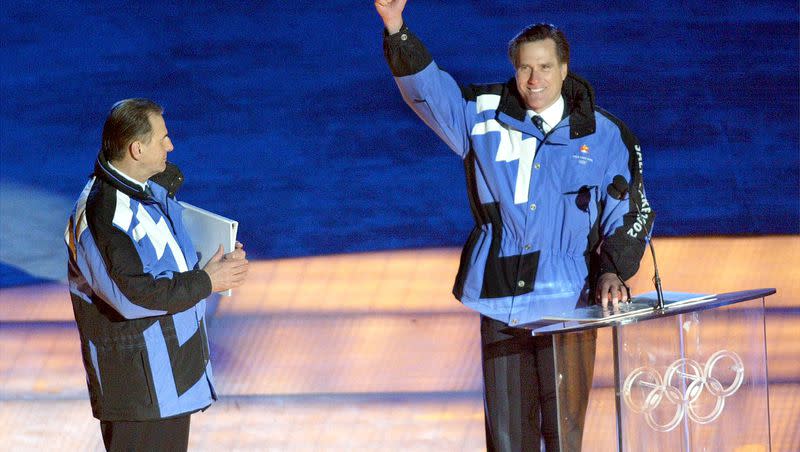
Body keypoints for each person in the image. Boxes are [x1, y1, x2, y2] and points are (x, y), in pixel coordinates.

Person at [374, 1, 653, 450]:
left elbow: (632, 212)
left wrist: (612, 269)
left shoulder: (605, 135)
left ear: (564, 68)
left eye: (544, 66)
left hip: (570, 301)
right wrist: (396, 28)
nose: (534, 79)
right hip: (502, 298)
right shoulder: (483, 115)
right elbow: (428, 92)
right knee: (507, 440)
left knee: (563, 437)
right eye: (525, 68)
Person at [65, 98, 249, 451]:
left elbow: (165, 255)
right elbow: (135, 296)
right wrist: (209, 281)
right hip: (138, 393)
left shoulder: (149, 191)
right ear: (136, 149)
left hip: (164, 383)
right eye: (163, 137)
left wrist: (215, 255)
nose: (171, 145)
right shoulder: (101, 216)